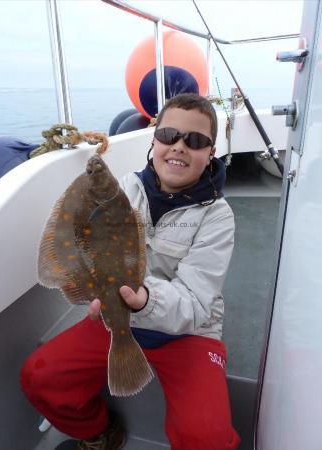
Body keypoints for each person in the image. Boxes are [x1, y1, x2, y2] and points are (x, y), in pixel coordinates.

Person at [20, 93, 240, 450]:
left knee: (207, 438)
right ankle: (101, 432)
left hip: (190, 333)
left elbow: (197, 305)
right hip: (116, 315)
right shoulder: (123, 188)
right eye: (169, 136)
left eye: (195, 141)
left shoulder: (217, 216)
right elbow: (81, 246)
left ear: (211, 152)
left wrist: (143, 299)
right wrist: (90, 286)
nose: (180, 147)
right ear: (154, 139)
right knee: (40, 376)